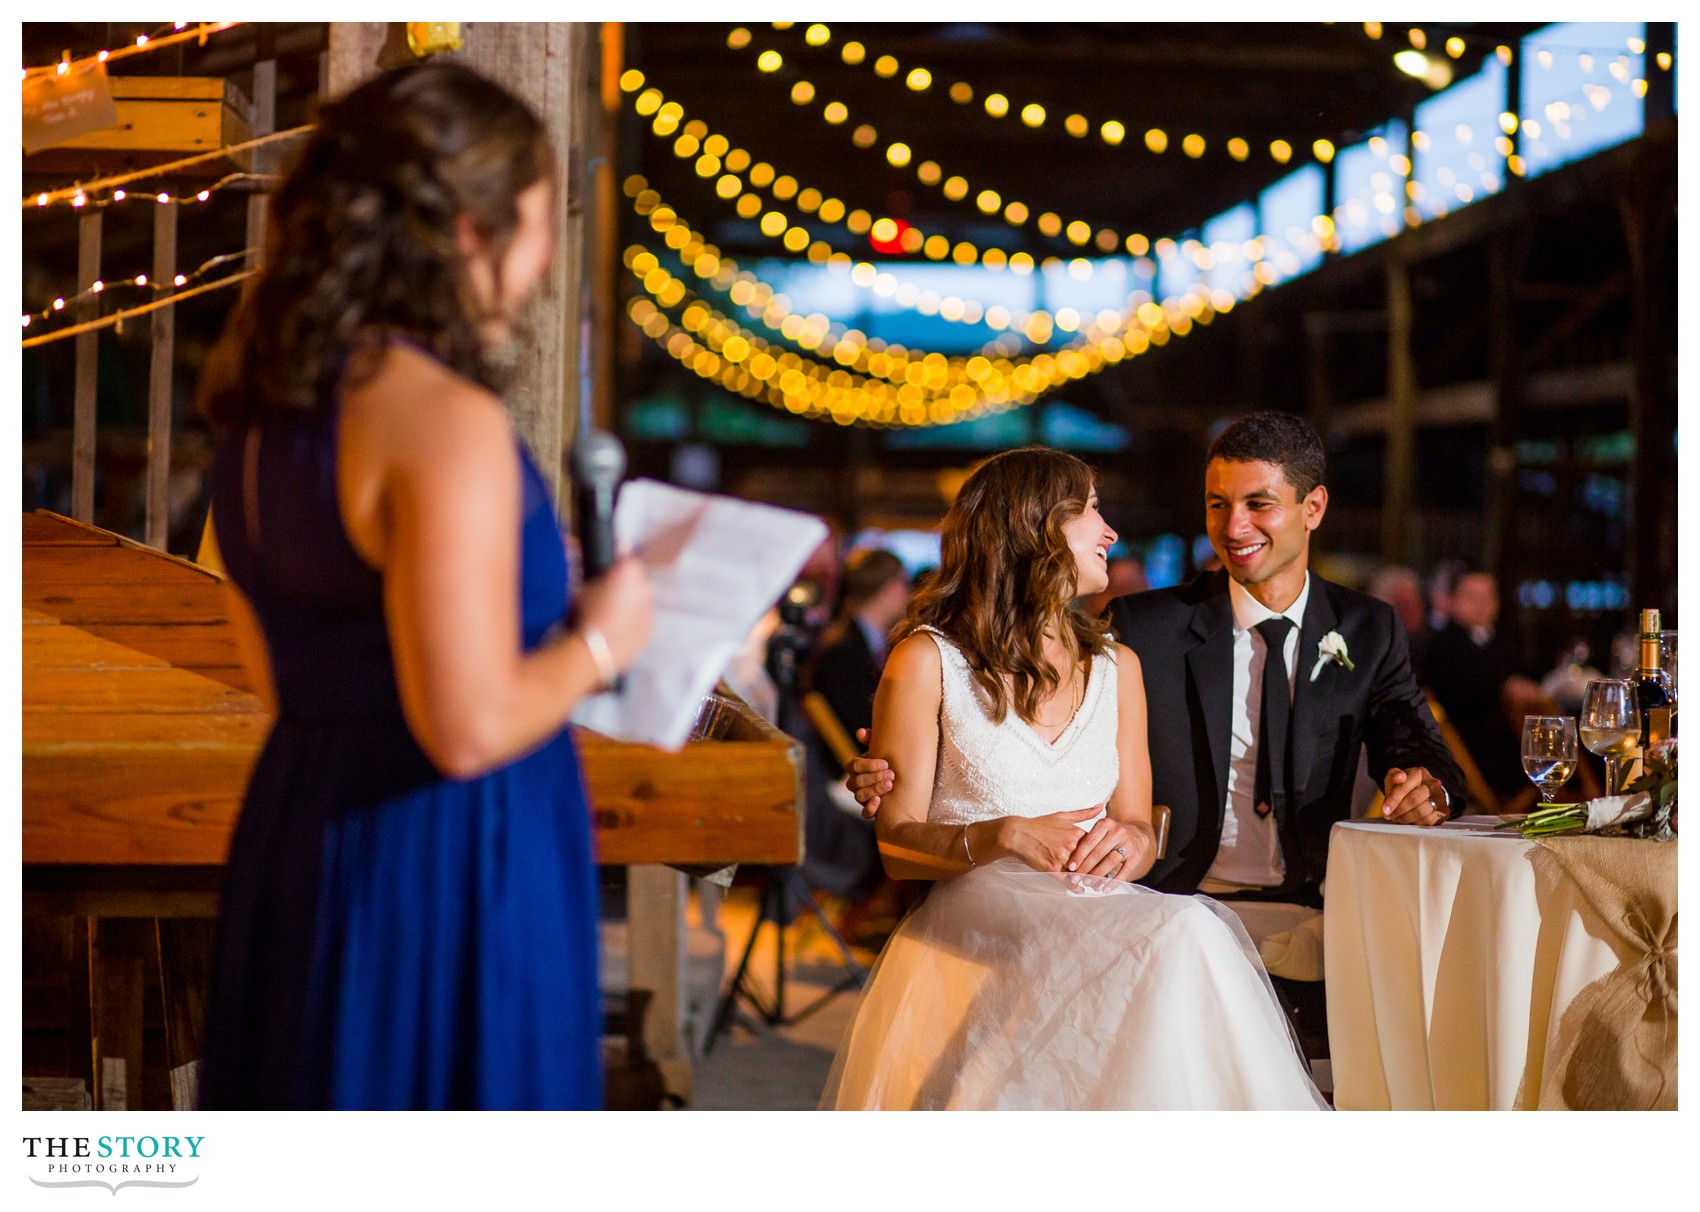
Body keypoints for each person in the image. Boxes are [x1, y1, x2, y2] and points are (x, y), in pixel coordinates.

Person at [193, 62, 652, 1109]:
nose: (543, 263)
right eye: (542, 221)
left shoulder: (257, 414)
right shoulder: (443, 419)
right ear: (469, 233)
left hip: (306, 824)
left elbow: (281, 675)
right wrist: (598, 641)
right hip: (447, 855)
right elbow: (466, 726)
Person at [848, 412, 1463, 1056]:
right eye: (1218, 504)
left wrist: (1431, 788)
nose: (1233, 528)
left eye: (1258, 504)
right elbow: (982, 723)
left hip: (1310, 900)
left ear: (1313, 508)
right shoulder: (1143, 626)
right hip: (1169, 899)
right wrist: (893, 761)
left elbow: (1413, 739)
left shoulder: (1367, 629)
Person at [821, 448, 1325, 1109]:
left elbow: (1140, 827)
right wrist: (1005, 835)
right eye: (1089, 509)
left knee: (1189, 932)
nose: (1110, 530)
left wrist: (1129, 845)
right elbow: (896, 847)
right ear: (1033, 525)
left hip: (1093, 902)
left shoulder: (1119, 667)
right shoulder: (927, 659)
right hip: (979, 907)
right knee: (1185, 933)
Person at [1423, 570, 1544, 802]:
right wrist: (1505, 687)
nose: (1482, 605)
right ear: (1453, 600)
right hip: (1477, 754)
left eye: (1488, 597)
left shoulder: (1500, 641)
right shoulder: (1443, 645)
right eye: (1472, 597)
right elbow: (1464, 689)